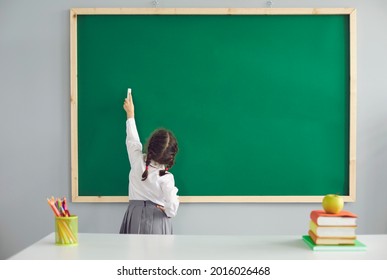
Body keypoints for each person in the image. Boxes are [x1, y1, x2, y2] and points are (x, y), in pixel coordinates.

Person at [119, 91, 179, 234]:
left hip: (133, 217)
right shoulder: (166, 177)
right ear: (170, 157)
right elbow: (172, 208)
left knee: (133, 255)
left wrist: (130, 114)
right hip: (158, 221)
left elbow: (132, 140)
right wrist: (171, 207)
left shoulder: (137, 160)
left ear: (150, 145)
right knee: (158, 255)